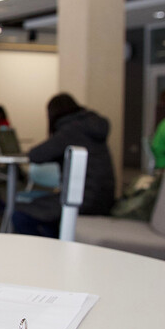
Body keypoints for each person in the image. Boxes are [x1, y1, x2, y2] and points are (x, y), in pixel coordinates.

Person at [11, 93, 116, 238]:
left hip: (83, 200)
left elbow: (38, 155)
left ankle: (49, 252)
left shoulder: (71, 129)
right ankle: (54, 244)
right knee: (40, 212)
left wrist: (23, 153)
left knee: (20, 215)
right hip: (102, 198)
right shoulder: (89, 125)